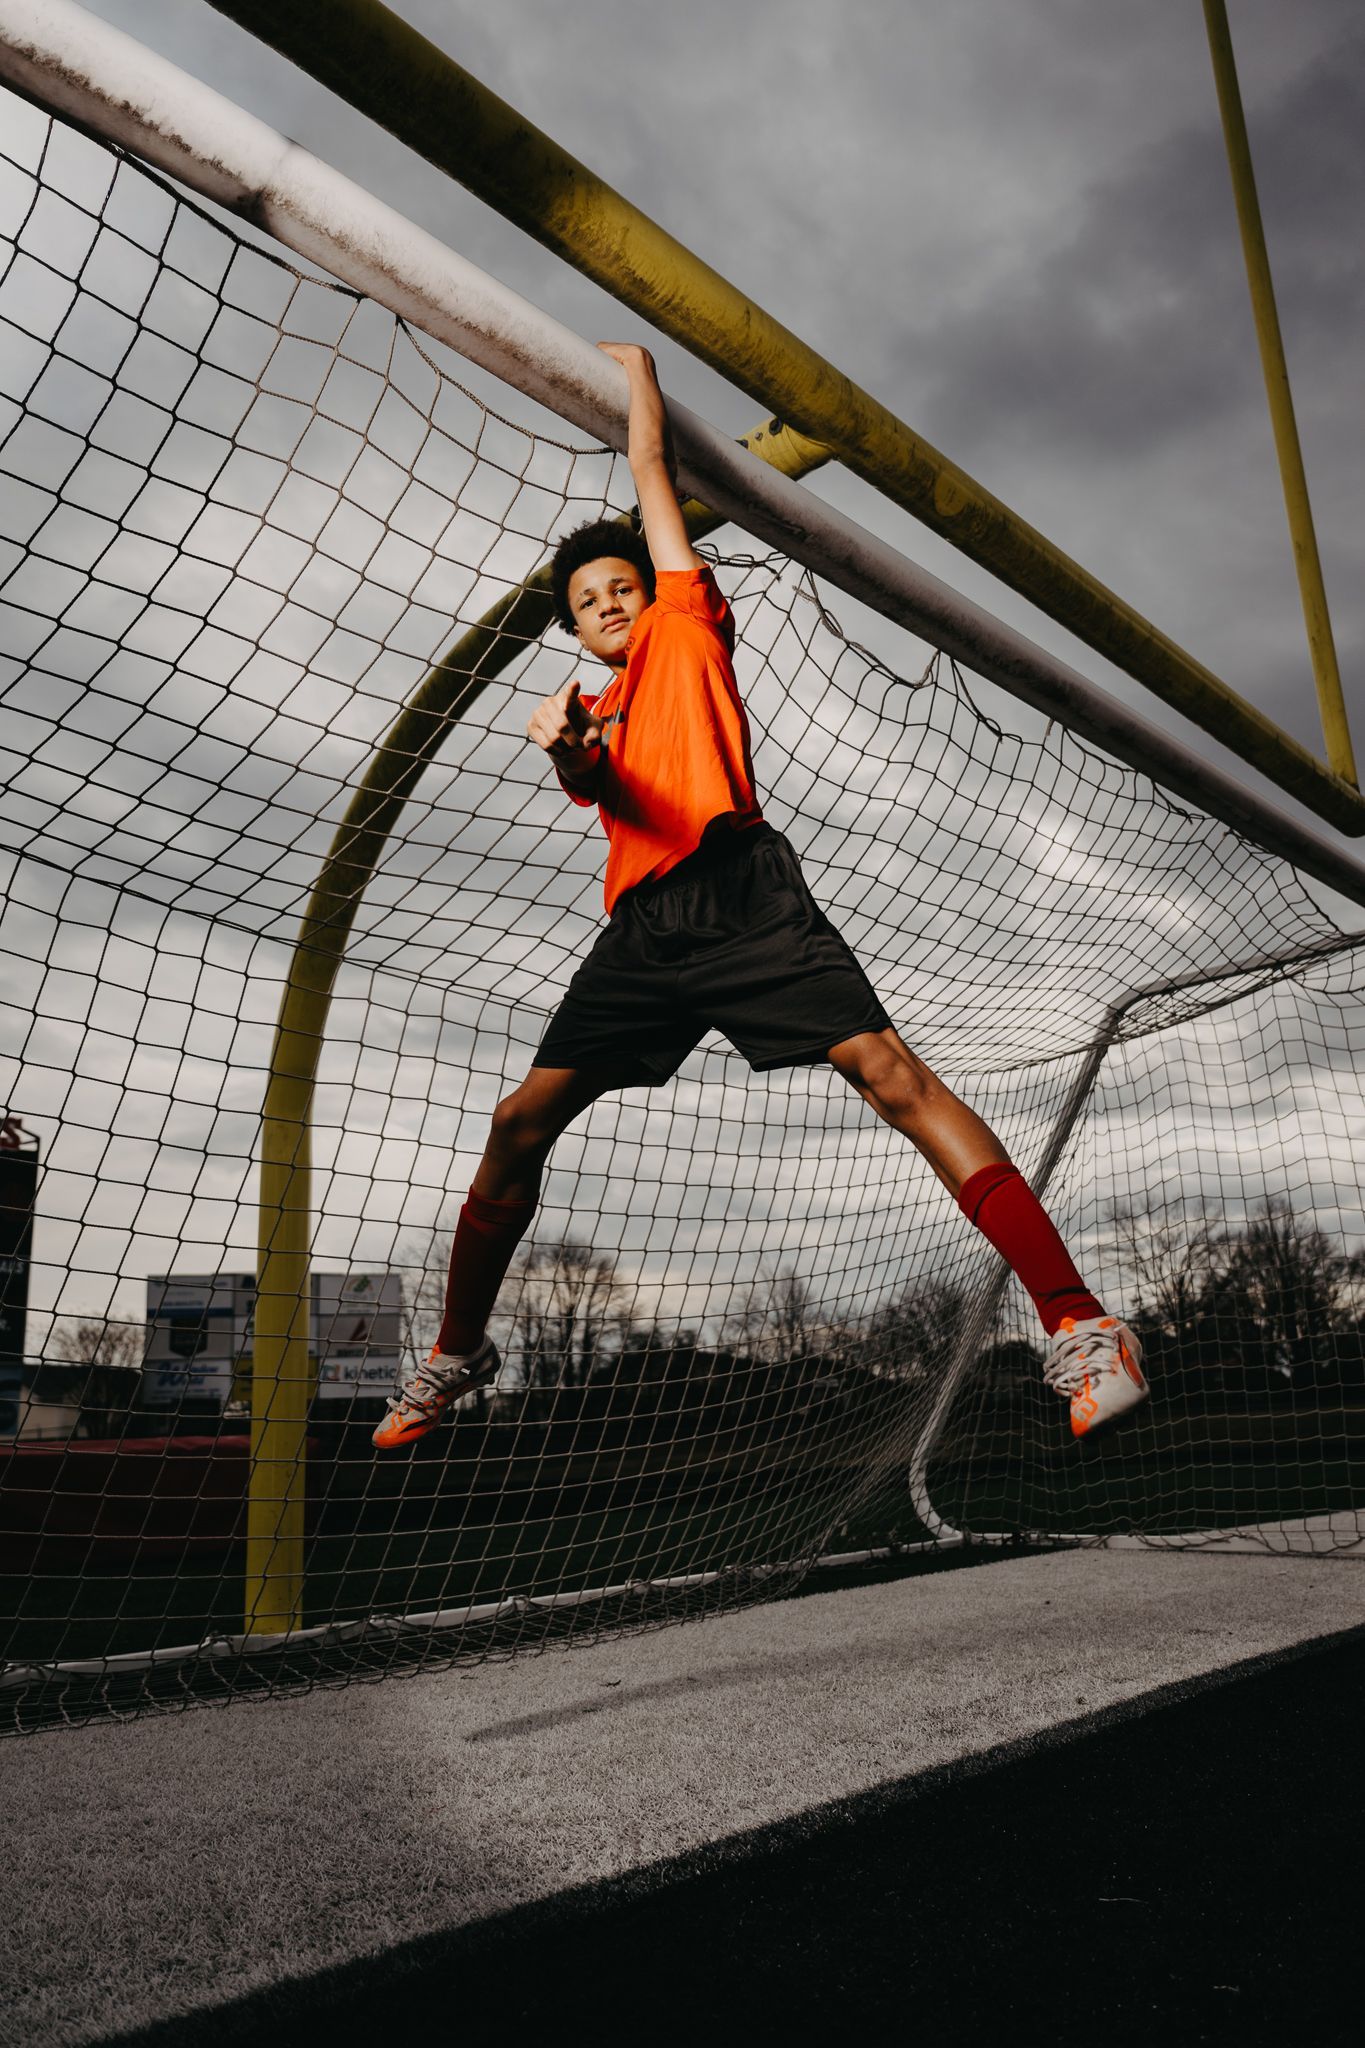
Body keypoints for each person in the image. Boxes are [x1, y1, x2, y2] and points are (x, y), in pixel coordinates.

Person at [374, 344, 1148, 1451]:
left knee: (890, 1075)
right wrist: (569, 751)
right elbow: (608, 787)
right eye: (587, 602)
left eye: (620, 586)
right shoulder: (597, 711)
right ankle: (458, 1348)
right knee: (518, 1122)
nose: (606, 604)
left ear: (656, 590)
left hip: (742, 894)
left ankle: (1082, 1322)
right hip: (645, 933)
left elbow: (649, 467)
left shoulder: (687, 625)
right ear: (574, 630)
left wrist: (634, 370)